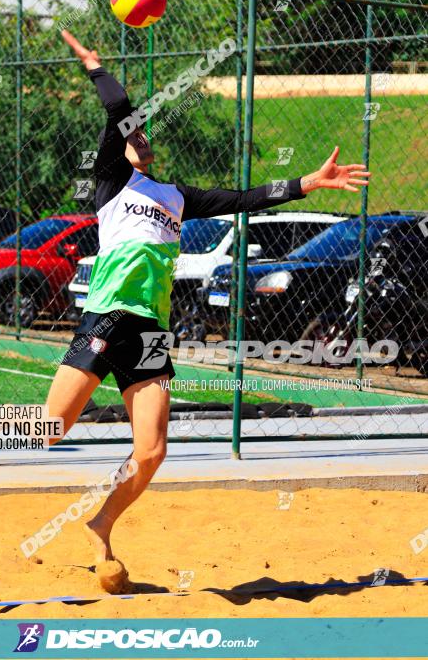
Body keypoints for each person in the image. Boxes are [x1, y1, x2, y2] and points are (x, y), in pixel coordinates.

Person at [47, 28, 370, 567]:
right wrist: (95, 65)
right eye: (135, 135)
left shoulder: (175, 196)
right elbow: (121, 109)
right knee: (49, 430)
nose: (142, 137)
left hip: (148, 329)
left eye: (148, 134)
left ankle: (101, 523)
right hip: (107, 317)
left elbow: (246, 197)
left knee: (151, 451)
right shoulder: (111, 182)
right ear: (121, 148)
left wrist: (308, 183)